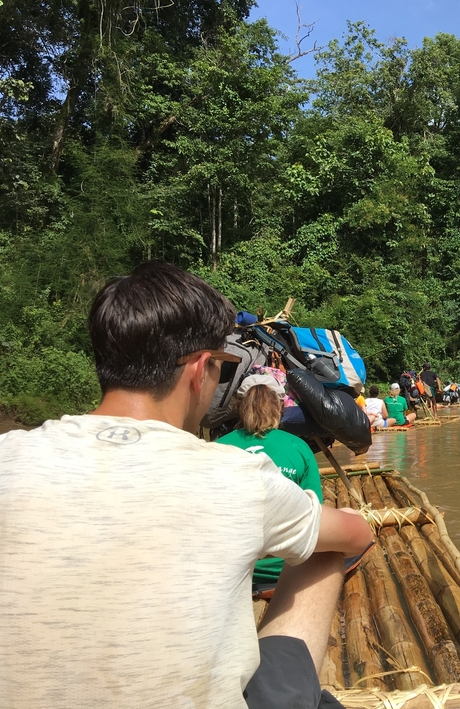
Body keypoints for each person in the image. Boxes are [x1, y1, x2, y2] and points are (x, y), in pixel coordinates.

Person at [0, 261, 374, 708]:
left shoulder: (9, 455)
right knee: (333, 538)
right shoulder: (237, 476)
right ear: (200, 369)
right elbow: (357, 535)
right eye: (222, 366)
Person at [216, 374, 324, 588]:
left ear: (239, 406)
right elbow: (315, 515)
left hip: (231, 571)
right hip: (286, 571)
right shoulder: (299, 447)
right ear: (281, 406)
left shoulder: (217, 446)